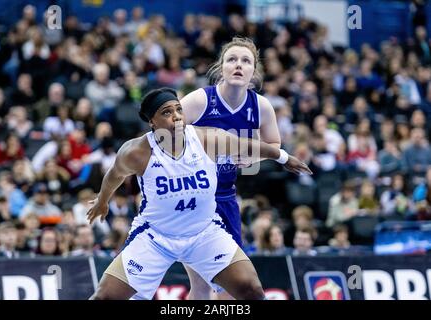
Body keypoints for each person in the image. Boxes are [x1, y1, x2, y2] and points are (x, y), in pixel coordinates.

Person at [87, 88, 311, 300]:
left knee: (251, 289)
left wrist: (283, 157)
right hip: (156, 237)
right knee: (104, 297)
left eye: (178, 109)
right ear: (152, 122)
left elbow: (246, 145)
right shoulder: (137, 152)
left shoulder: (206, 139)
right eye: (167, 112)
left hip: (204, 233)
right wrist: (102, 201)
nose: (176, 116)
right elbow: (114, 175)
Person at [178, 36, 312, 299]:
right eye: (232, 59)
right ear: (222, 67)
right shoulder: (200, 101)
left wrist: (254, 157)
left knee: (230, 286)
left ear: (254, 71)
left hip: (226, 197)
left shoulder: (260, 106)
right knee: (204, 284)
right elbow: (163, 135)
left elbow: (273, 142)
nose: (238, 65)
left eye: (246, 61)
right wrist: (198, 148)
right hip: (193, 199)